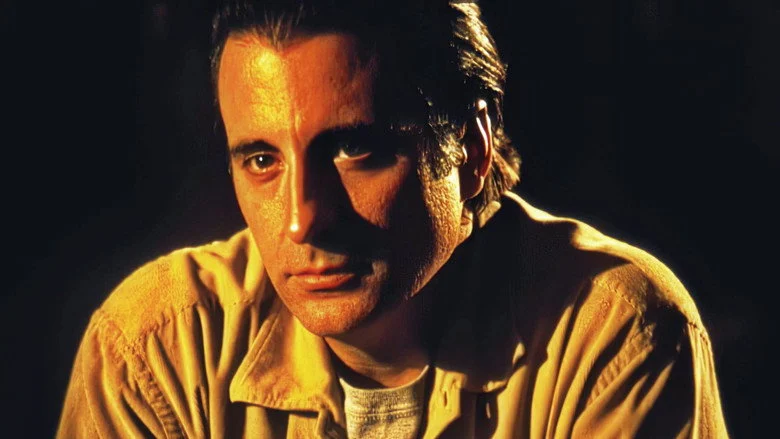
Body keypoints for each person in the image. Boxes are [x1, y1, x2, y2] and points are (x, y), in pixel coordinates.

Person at [56, 0, 729, 437]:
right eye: (262, 159)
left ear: (471, 149)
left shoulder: (613, 334)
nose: (302, 222)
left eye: (354, 149)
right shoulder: (156, 349)